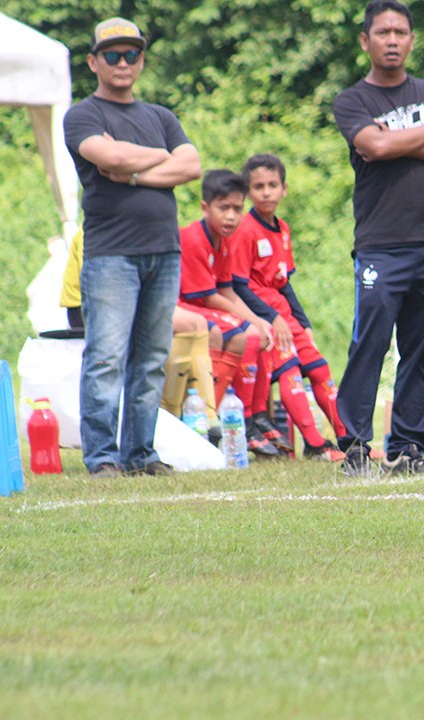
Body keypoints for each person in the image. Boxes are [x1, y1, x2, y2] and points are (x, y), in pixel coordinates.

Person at [332, 0, 424, 477]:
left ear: (412, 40)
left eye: (401, 32)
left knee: (421, 349)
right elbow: (373, 145)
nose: (392, 40)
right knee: (370, 343)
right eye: (383, 32)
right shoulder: (352, 101)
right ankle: (353, 445)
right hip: (379, 244)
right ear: (365, 40)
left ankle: (407, 448)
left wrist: (400, 137)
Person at [63, 17, 201, 478]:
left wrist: (137, 170)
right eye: (111, 55)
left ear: (141, 60)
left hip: (164, 252)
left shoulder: (160, 116)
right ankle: (102, 459)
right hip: (111, 255)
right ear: (93, 62)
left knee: (152, 359)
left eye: (131, 54)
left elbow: (192, 164)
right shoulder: (83, 114)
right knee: (106, 356)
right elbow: (110, 158)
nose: (122, 62)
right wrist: (161, 156)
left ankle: (140, 454)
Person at [228, 154, 346, 461]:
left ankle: (348, 439)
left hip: (286, 316)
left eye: (272, 185)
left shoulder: (283, 229)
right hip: (264, 318)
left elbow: (285, 282)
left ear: (284, 189)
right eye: (258, 186)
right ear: (247, 191)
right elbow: (239, 284)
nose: (266, 192)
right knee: (290, 372)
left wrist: (303, 322)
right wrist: (271, 318)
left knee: (320, 370)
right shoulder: (244, 229)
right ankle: (316, 444)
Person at [179, 169, 291, 458]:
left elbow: (226, 291)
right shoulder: (193, 239)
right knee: (246, 337)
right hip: (183, 305)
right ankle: (211, 417)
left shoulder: (226, 239)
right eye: (223, 208)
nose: (230, 216)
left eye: (237, 209)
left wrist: (257, 320)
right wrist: (249, 322)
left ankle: (251, 417)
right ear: (205, 207)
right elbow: (208, 296)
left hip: (206, 304)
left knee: (260, 334)